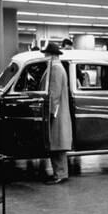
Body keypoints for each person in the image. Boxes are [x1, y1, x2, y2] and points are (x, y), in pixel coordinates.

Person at [42, 43, 73, 184]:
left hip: (57, 113)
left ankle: (60, 174)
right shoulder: (59, 68)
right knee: (57, 144)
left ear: (52, 55)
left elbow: (54, 93)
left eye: (46, 54)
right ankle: (60, 173)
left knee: (57, 144)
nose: (44, 56)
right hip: (60, 111)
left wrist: (50, 112)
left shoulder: (55, 69)